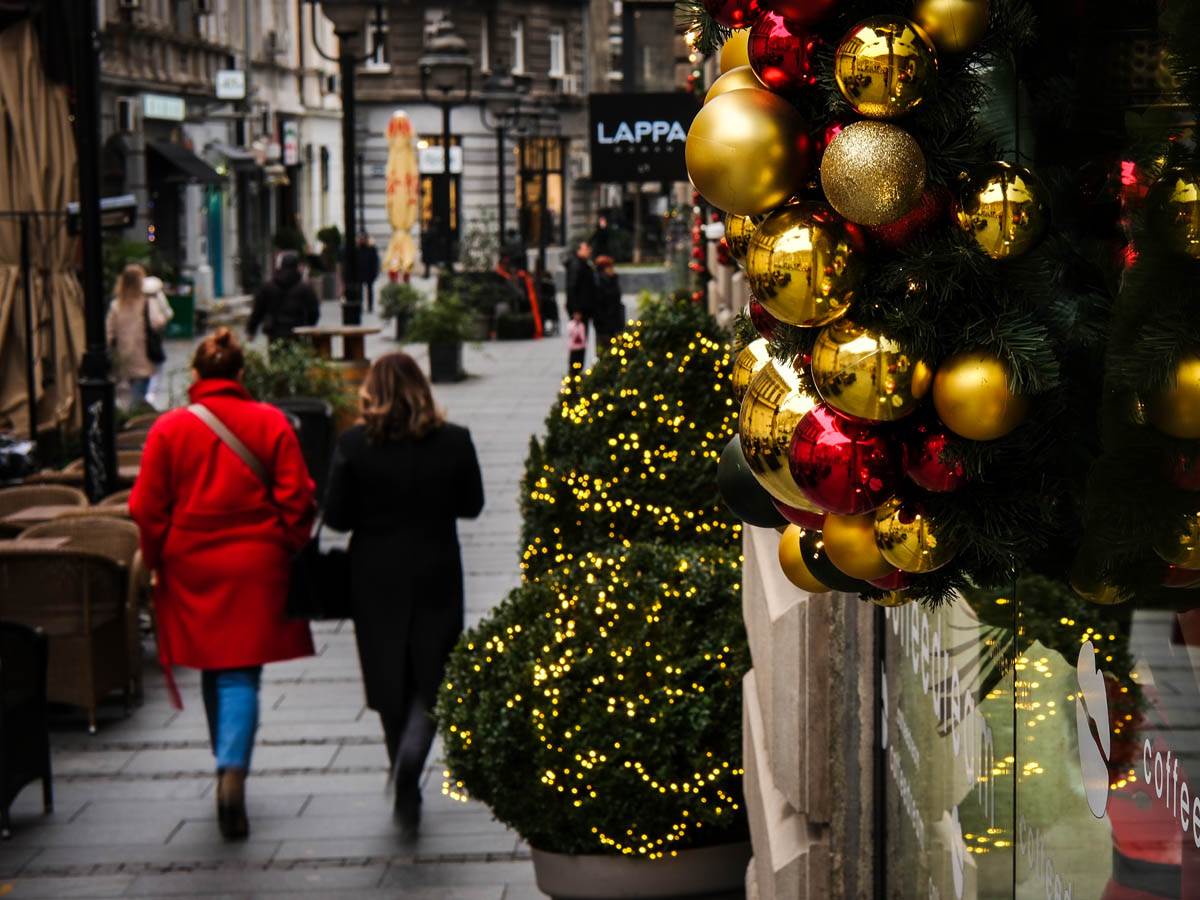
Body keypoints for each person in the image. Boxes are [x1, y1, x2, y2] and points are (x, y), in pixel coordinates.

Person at [129, 328, 316, 841]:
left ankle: (225, 759)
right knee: (239, 671)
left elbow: (145, 506)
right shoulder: (270, 422)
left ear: (194, 376)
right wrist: (284, 540)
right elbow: (298, 496)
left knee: (217, 664)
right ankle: (232, 767)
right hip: (257, 564)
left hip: (193, 565)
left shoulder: (168, 430)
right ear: (240, 375)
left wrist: (159, 550)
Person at [323, 354, 484, 838]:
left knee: (388, 672)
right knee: (435, 673)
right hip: (436, 568)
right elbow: (472, 506)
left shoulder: (354, 444)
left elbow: (336, 517)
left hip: (375, 575)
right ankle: (411, 763)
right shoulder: (453, 441)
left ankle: (404, 770)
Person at [106, 263, 169, 409]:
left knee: (127, 393)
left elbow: (108, 332)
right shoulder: (146, 302)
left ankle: (129, 416)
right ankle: (135, 420)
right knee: (139, 394)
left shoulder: (116, 305)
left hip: (123, 356)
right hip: (143, 355)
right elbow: (158, 321)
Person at [247, 251, 320, 343]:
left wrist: (251, 330)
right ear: (297, 267)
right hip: (298, 332)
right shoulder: (305, 288)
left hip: (274, 332)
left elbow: (257, 311)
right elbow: (314, 312)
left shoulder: (268, 287)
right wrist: (308, 327)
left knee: (276, 355)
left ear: (280, 266)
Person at [564, 240, 596, 360]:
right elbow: (572, 288)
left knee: (580, 341)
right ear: (579, 250)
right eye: (586, 248)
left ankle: (576, 370)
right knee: (578, 342)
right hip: (580, 310)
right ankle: (575, 372)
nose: (589, 250)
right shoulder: (576, 265)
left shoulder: (583, 263)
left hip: (583, 308)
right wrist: (576, 310)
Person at [592, 255, 625, 349]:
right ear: (604, 268)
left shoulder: (612, 279)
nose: (612, 269)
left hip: (613, 322)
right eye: (610, 267)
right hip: (605, 324)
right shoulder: (599, 282)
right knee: (606, 349)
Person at [357, 232, 381, 313]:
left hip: (369, 273)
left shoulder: (372, 249)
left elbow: (375, 262)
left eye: (363, 238)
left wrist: (375, 273)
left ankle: (370, 306)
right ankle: (360, 305)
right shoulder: (357, 249)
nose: (362, 240)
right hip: (359, 273)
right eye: (361, 238)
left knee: (370, 290)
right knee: (359, 291)